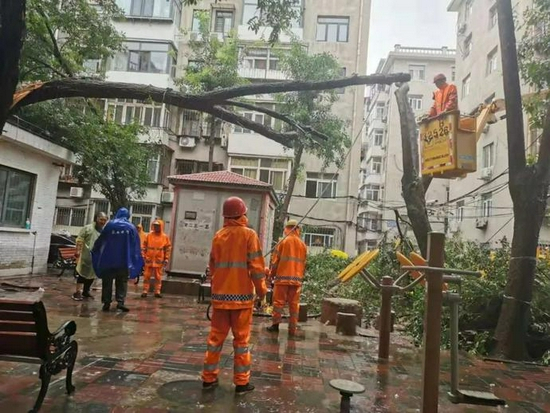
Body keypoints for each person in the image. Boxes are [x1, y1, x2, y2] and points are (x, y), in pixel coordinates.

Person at [201, 196, 268, 395]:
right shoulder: (249, 235)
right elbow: (257, 269)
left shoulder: (218, 236)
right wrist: (262, 292)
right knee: (241, 342)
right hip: (242, 300)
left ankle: (208, 379)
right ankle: (241, 383)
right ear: (242, 214)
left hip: (220, 299)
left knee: (215, 340)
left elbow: (213, 266)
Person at [91, 207, 144, 312]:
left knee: (107, 282)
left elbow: (101, 239)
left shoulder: (110, 225)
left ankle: (106, 303)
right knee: (122, 282)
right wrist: (136, 258)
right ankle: (120, 302)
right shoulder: (131, 227)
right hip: (124, 261)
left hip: (108, 260)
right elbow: (136, 245)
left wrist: (95, 250)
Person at [266, 219, 307, 335]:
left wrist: (271, 275)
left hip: (282, 279)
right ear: (297, 229)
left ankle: (275, 326)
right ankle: (292, 329)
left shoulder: (283, 242)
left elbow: (275, 262)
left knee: (278, 303)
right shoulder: (303, 245)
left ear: (287, 228)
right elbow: (304, 264)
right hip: (296, 281)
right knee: (294, 305)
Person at [72, 212, 108, 301]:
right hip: (86, 256)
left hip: (96, 257)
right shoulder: (88, 228)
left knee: (92, 274)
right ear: (96, 219)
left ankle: (86, 291)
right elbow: (80, 239)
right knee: (82, 274)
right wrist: (78, 251)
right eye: (101, 219)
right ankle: (77, 292)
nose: (103, 222)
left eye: (104, 220)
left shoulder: (103, 231)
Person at [141, 219, 171, 298]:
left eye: (157, 226)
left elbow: (167, 248)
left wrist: (166, 258)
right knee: (146, 276)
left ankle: (157, 291)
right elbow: (144, 246)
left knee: (158, 277)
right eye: (155, 225)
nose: (156, 227)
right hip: (149, 259)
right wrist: (143, 255)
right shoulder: (149, 235)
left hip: (158, 260)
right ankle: (145, 291)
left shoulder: (164, 237)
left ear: (161, 226)